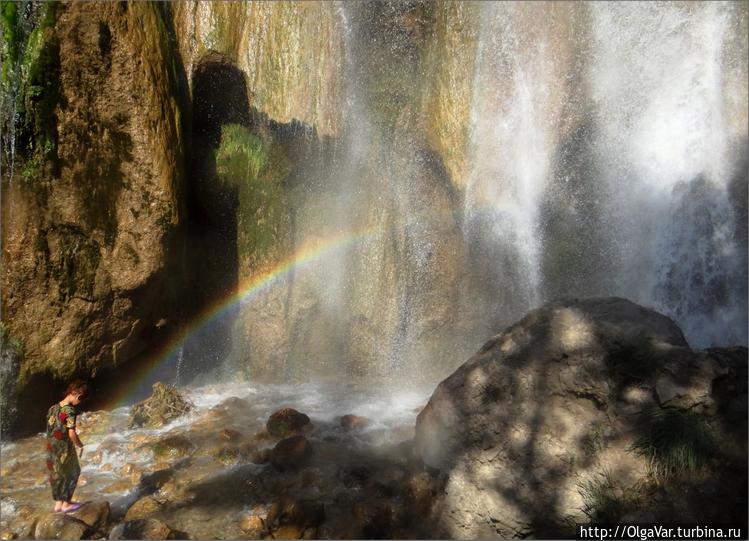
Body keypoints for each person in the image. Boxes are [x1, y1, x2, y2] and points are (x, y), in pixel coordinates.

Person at [45, 380, 88, 513]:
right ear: (76, 394)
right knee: (74, 471)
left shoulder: (52, 408)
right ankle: (66, 504)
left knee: (58, 474)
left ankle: (58, 504)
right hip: (64, 447)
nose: (80, 402)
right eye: (81, 398)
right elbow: (72, 433)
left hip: (51, 447)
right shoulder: (69, 410)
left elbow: (49, 429)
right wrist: (80, 445)